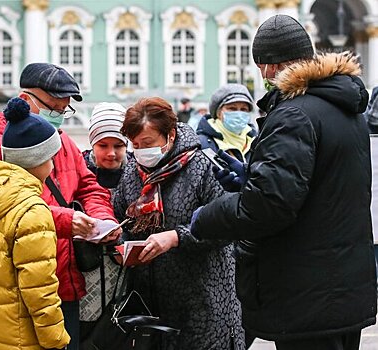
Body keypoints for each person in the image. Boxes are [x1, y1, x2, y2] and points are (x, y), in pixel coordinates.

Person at [191, 15, 376, 350]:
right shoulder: (347, 111)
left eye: (263, 66)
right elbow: (325, 188)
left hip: (306, 292)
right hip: (342, 287)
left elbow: (267, 207)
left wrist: (206, 217)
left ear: (270, 66)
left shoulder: (294, 115)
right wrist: (254, 176)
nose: (263, 75)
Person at [0, 63, 119, 350]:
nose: (59, 117)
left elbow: (89, 185)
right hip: (13, 288)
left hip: (63, 280)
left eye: (64, 111)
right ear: (26, 101)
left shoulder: (61, 140)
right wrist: (66, 220)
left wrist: (101, 219)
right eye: (54, 108)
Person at [113, 97, 245, 350]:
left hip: (203, 299)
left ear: (170, 135)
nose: (140, 151)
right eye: (135, 144)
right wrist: (122, 245)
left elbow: (226, 225)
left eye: (148, 143)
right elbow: (121, 217)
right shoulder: (133, 172)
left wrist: (176, 237)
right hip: (150, 304)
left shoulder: (204, 165)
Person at [0, 97, 69, 350]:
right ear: (38, 160)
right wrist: (56, 339)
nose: (53, 165)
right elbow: (40, 290)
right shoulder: (32, 210)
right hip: (24, 337)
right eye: (51, 158)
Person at [80, 102, 130, 340]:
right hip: (86, 275)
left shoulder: (138, 174)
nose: (111, 153)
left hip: (125, 275)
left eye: (119, 145)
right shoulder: (79, 170)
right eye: (103, 145)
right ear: (92, 143)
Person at [196, 84, 257, 163]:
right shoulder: (203, 144)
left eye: (243, 109)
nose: (239, 113)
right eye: (232, 108)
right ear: (218, 113)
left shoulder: (256, 142)